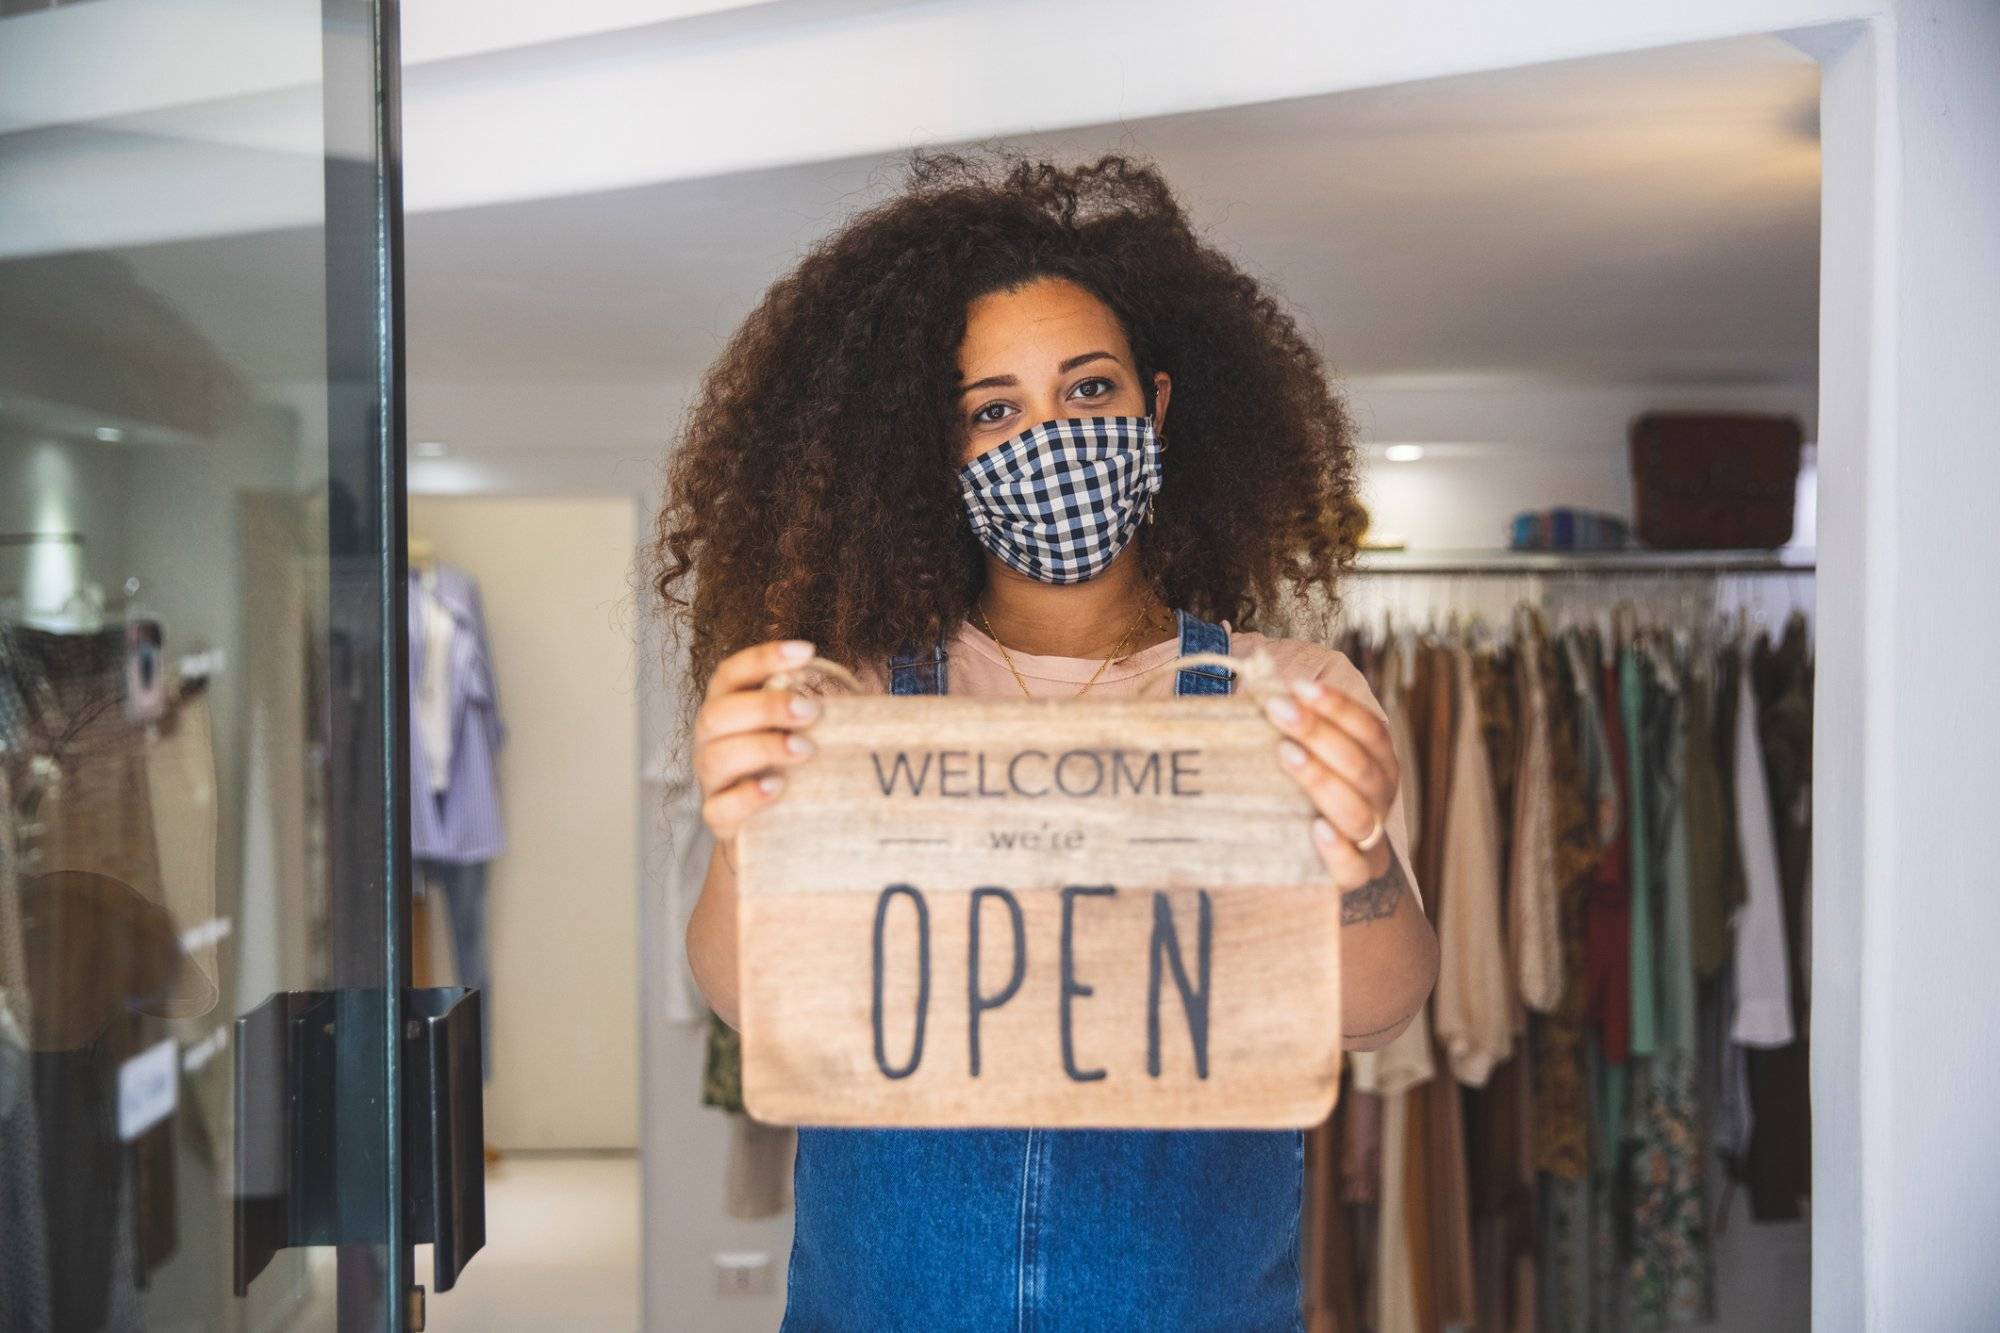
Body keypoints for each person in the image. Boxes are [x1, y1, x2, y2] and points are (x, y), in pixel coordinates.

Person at [648, 149, 1439, 1331]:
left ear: (1154, 408)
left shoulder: (1291, 697)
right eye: (993, 410)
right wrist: (744, 830)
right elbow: (754, 1002)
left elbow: (1380, 1009)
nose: (1050, 437)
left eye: (1086, 391)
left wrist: (1359, 851)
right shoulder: (850, 697)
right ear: (944, 451)